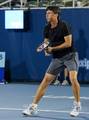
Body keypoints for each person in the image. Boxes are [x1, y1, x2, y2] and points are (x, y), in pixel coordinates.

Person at [22, 6, 81, 117]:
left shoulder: (64, 25)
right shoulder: (46, 28)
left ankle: (77, 105)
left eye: (49, 13)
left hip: (70, 56)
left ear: (56, 14)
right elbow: (46, 41)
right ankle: (33, 107)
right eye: (46, 13)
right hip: (57, 58)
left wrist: (52, 49)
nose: (47, 15)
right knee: (45, 81)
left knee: (73, 78)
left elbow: (68, 43)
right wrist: (45, 48)